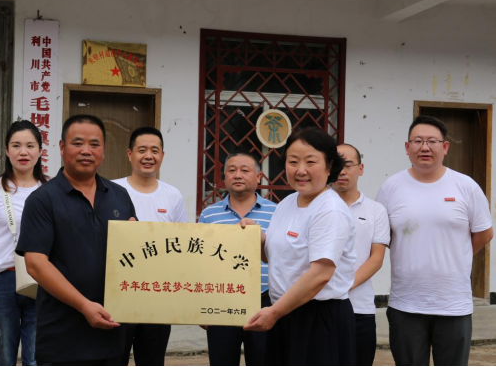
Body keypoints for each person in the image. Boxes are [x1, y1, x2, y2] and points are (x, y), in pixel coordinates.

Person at [16, 115, 137, 366]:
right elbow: (36, 264)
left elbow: (134, 255)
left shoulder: (119, 196)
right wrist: (84, 305)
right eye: (78, 143)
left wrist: (137, 238)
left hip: (112, 329)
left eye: (94, 144)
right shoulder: (42, 200)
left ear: (103, 150)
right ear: (62, 147)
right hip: (62, 336)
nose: (86, 151)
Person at [376, 115, 494, 366]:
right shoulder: (391, 187)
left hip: (453, 304)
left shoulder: (466, 186)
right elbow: (382, 236)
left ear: (445, 147)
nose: (425, 147)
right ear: (407, 147)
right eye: (418, 141)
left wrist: (456, 254)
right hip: (406, 303)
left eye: (432, 141)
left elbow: (484, 233)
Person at [243, 127, 357, 366]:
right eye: (293, 161)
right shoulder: (287, 203)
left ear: (329, 166)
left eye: (311, 162)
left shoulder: (330, 210)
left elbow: (320, 274)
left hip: (318, 317)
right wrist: (257, 237)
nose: (300, 170)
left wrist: (274, 312)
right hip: (285, 312)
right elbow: (273, 257)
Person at [0, 120, 49, 366]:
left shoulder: (51, 189)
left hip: (42, 280)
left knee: (36, 359)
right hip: (0, 281)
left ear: (40, 150)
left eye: (30, 146)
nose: (23, 152)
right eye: (16, 145)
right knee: (4, 359)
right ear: (6, 150)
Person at [113, 127, 188, 366]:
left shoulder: (173, 195)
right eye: (142, 150)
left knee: (153, 359)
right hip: (119, 292)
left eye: (154, 151)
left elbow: (182, 245)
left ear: (162, 156)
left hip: (159, 293)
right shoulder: (111, 190)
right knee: (114, 357)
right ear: (129, 154)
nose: (148, 156)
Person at [198, 152, 277, 367]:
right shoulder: (209, 214)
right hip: (221, 301)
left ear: (258, 176)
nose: (238, 175)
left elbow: (283, 256)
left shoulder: (277, 212)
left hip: (265, 301)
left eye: (245, 170)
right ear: (224, 177)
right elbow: (201, 263)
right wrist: (201, 306)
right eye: (232, 170)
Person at [332, 144, 390, 367]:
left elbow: (376, 259)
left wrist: (342, 286)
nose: (342, 171)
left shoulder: (376, 210)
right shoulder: (316, 206)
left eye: (348, 165)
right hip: (319, 305)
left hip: (359, 308)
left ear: (361, 168)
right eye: (336, 165)